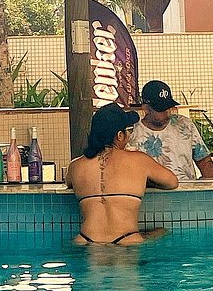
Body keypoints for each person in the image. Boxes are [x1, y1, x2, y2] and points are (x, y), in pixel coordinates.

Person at [68, 103, 178, 245]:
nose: (129, 135)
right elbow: (172, 182)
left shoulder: (76, 166)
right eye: (128, 131)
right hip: (126, 239)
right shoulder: (139, 160)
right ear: (120, 135)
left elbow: (69, 182)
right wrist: (142, 180)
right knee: (162, 231)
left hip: (85, 240)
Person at [127, 80, 213, 182]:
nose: (168, 113)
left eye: (169, 107)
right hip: (150, 191)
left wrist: (211, 186)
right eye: (161, 109)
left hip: (187, 189)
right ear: (146, 109)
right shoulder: (132, 133)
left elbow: (205, 162)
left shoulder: (185, 124)